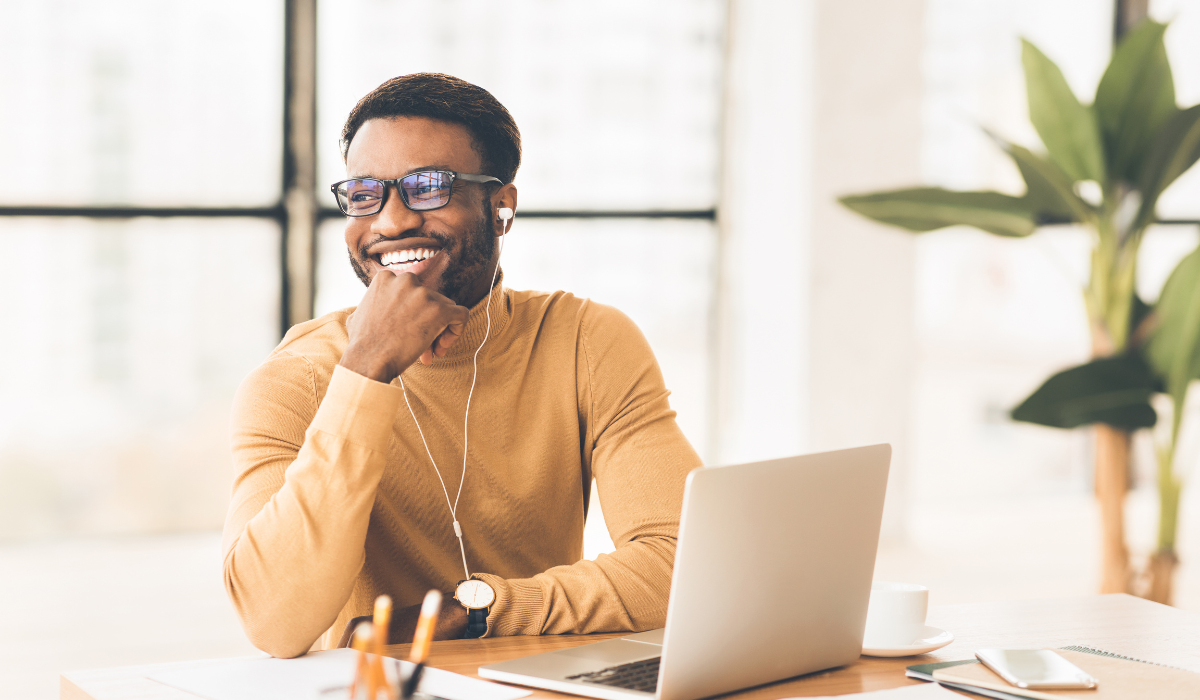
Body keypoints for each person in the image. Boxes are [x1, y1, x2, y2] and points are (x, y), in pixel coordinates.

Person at [221, 73, 702, 658]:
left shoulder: (583, 341)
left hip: (540, 687)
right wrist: (366, 368)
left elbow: (685, 564)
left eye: (428, 188)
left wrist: (473, 613)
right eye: (365, 193)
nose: (391, 222)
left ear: (501, 206)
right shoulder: (294, 381)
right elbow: (274, 622)